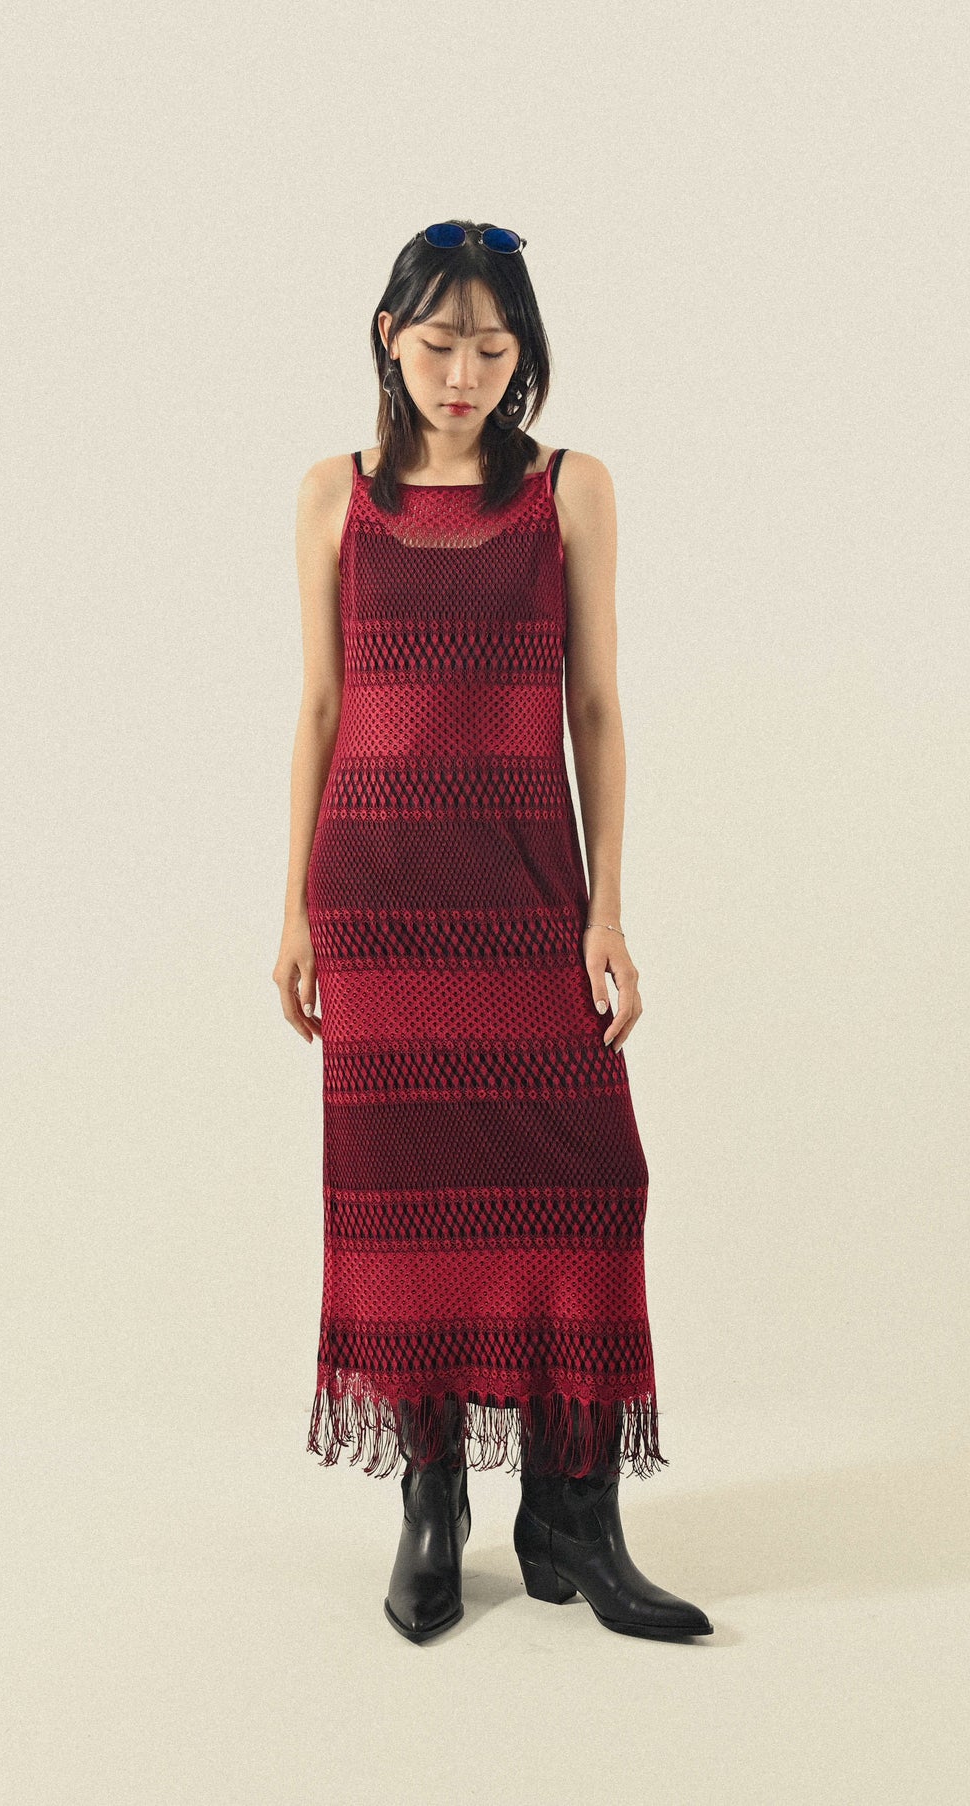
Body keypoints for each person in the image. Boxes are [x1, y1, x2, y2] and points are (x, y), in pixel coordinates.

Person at [274, 221, 712, 1644]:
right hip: (380, 899)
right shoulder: (333, 497)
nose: (462, 372)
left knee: (592, 1176)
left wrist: (607, 909)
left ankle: (570, 1515)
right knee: (404, 1200)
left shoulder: (568, 490)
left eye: (491, 345)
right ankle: (431, 1508)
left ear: (522, 353)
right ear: (388, 336)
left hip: (524, 891)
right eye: (438, 341)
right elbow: (322, 707)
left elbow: (595, 706)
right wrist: (294, 905)